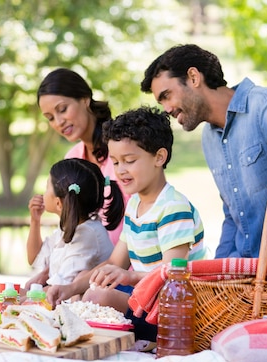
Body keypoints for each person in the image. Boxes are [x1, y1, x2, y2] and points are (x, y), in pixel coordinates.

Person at [140, 44, 267, 265]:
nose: (167, 109)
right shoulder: (210, 139)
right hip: (252, 271)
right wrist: (217, 270)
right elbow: (233, 215)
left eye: (167, 96)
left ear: (193, 77)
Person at [47, 106, 207, 340]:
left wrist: (129, 277)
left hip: (173, 310)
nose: (120, 171)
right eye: (115, 162)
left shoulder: (173, 208)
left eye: (129, 161)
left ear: (159, 157)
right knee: (88, 284)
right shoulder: (135, 206)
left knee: (97, 297)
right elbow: (115, 261)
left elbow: (173, 275)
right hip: (146, 297)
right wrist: (69, 288)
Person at [36, 68, 129, 246]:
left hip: (129, 265)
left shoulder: (122, 149)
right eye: (50, 118)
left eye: (62, 109)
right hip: (87, 262)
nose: (58, 122)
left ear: (85, 99)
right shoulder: (72, 157)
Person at [23, 158, 124, 291]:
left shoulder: (87, 234)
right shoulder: (68, 227)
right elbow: (34, 258)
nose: (43, 193)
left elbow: (61, 288)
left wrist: (25, 298)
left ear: (58, 203)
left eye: (47, 187)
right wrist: (35, 220)